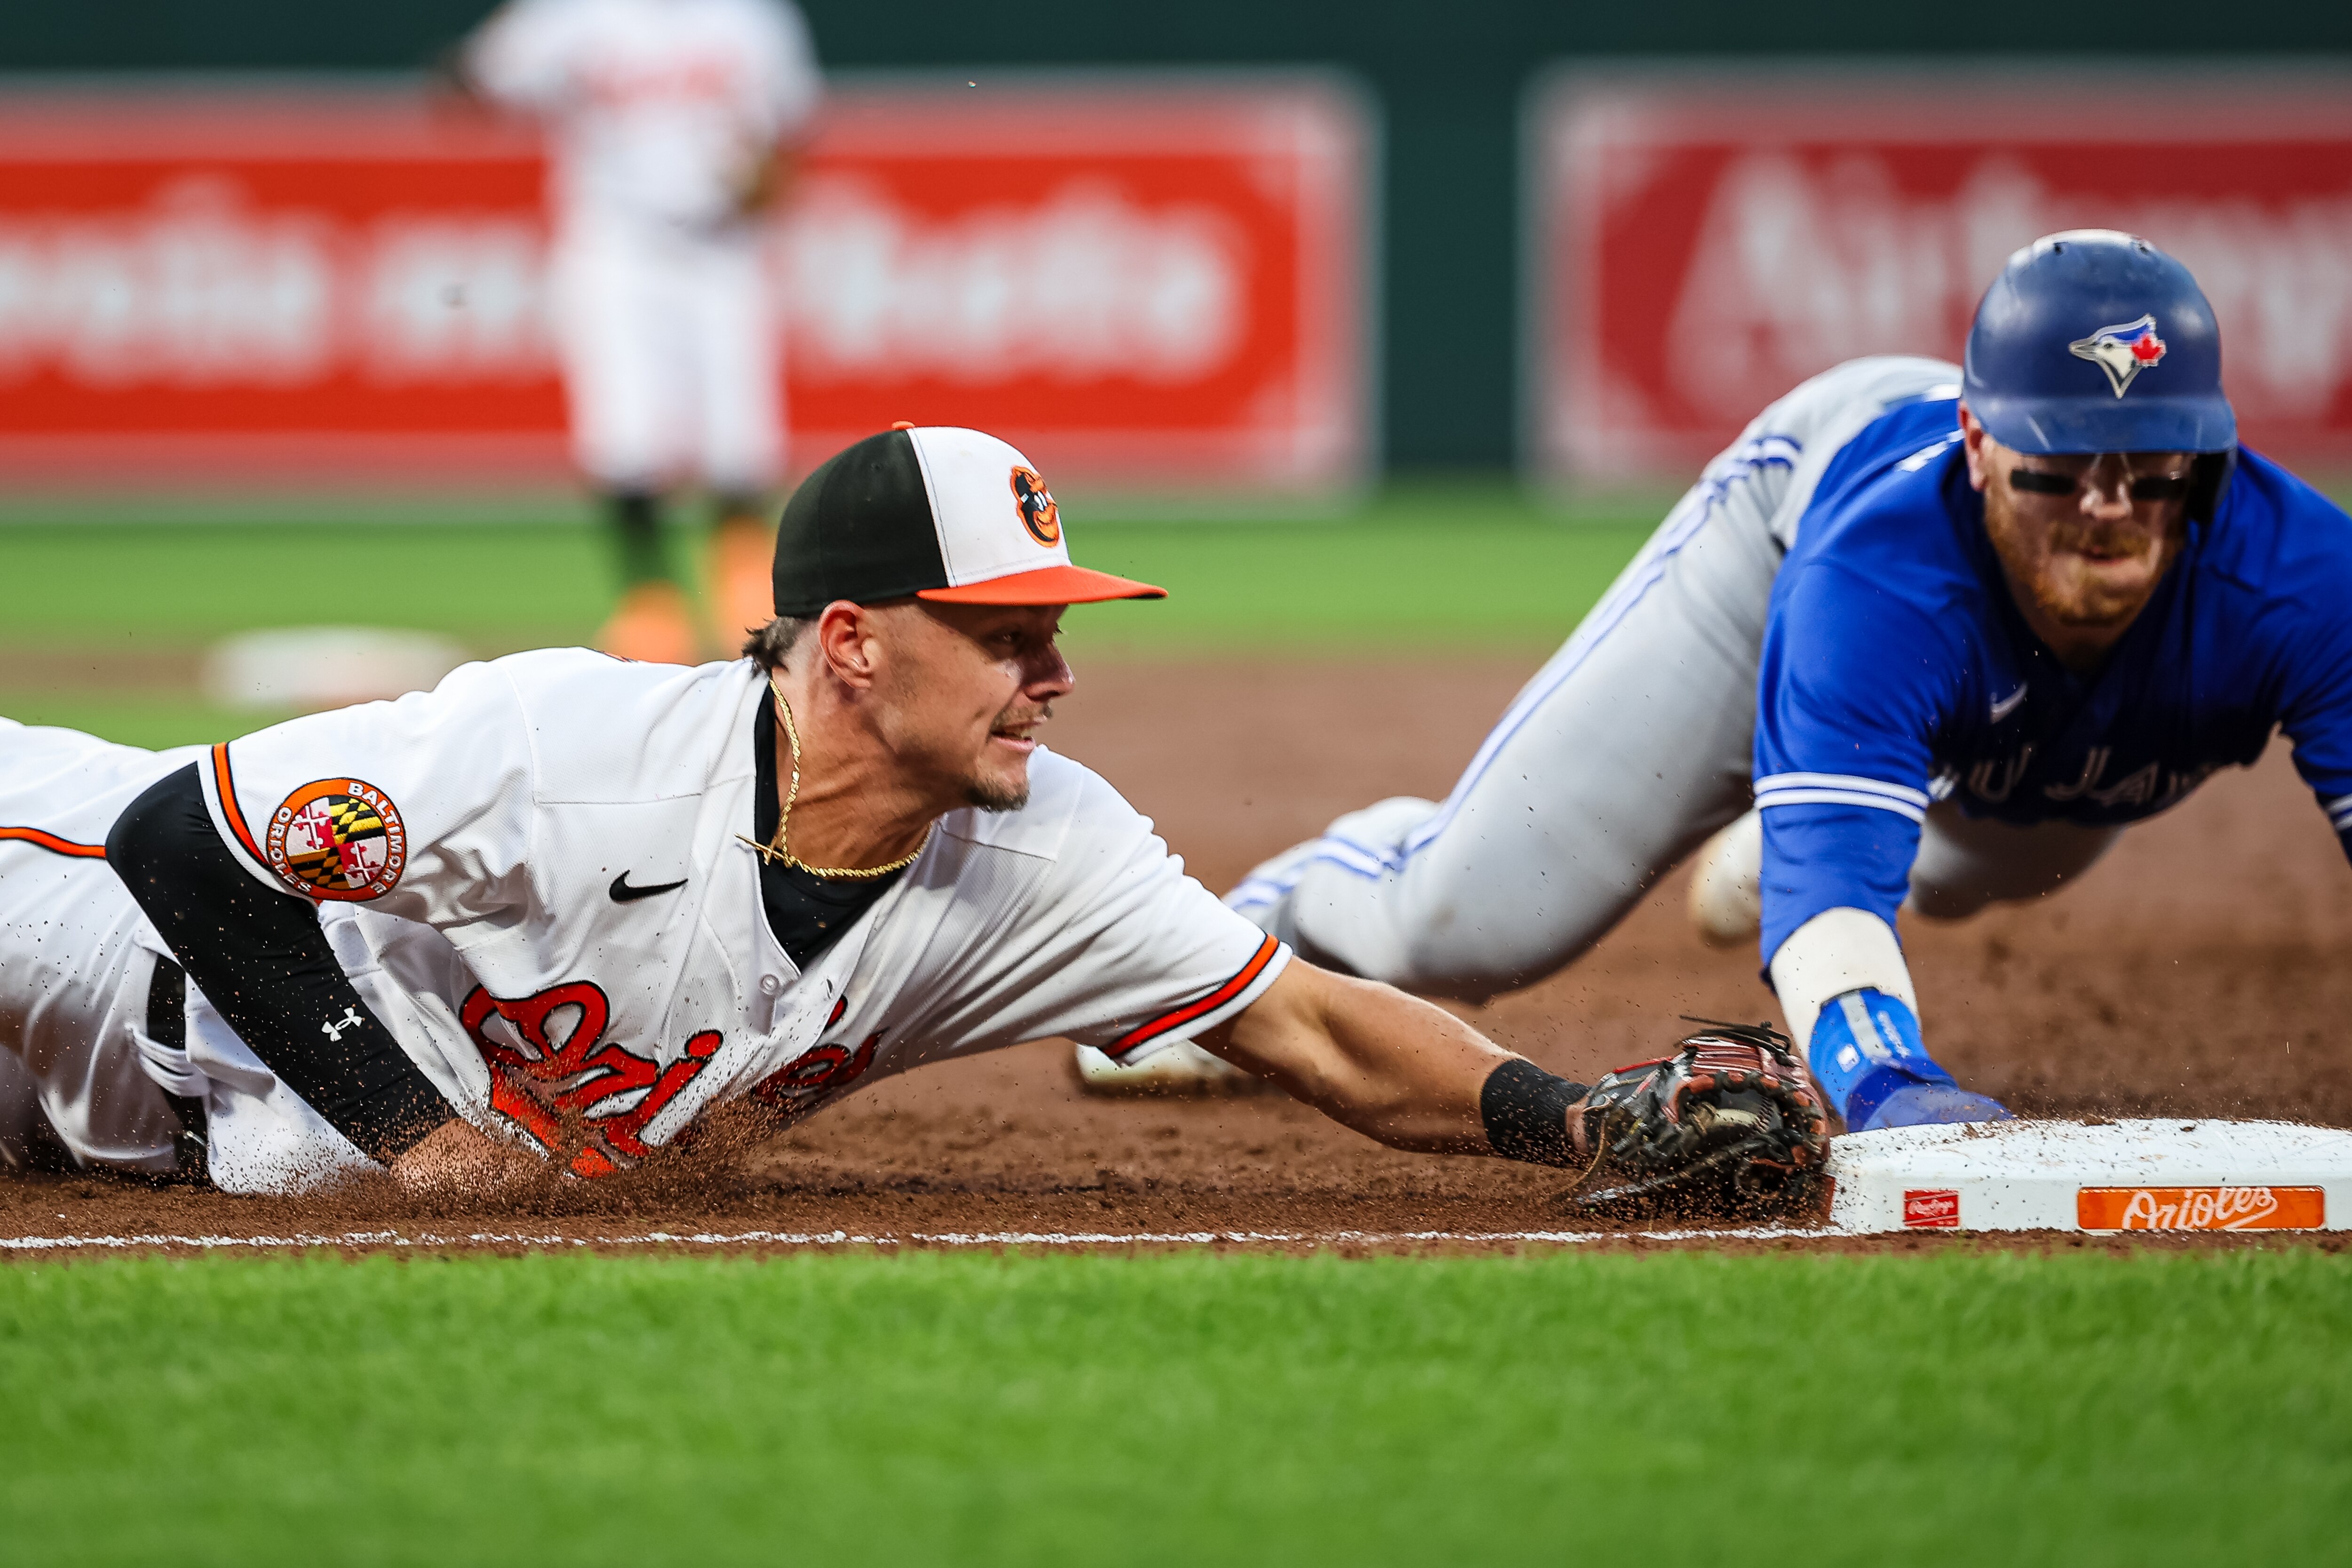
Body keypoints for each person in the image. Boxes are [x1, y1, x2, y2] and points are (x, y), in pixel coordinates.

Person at [0, 425, 1820, 1205]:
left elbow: (1317, 1027)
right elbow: (179, 836)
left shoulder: (1045, 854)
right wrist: (422, 1140)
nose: (1054, 673)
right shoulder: (567, 741)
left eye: (1056, 634)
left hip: (143, 1133)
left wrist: (1590, 1116)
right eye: (1009, 631)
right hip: (80, 920)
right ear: (856, 645)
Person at [1172, 231, 2352, 1134]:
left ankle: (1794, 812)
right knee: (1470, 920)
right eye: (2059, 464)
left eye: (2151, 468)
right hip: (1783, 538)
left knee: (2020, 850)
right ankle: (1249, 924)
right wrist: (1890, 1091)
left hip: (2015, 743)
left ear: (2211, 457)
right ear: (1982, 445)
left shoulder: (2307, 583)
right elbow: (1832, 915)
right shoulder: (1880, 572)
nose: (2107, 507)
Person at [458, 0, 823, 663]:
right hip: (615, 247)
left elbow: (790, 132)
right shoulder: (575, 18)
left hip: (724, 243)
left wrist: (766, 179)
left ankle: (742, 593)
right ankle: (651, 605)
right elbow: (474, 81)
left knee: (740, 435)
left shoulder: (749, 20)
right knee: (624, 433)